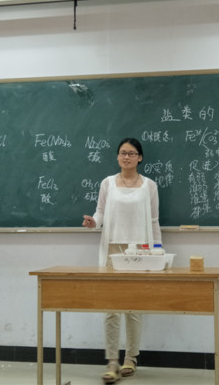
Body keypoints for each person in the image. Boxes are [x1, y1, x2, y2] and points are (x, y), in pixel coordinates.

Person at [82, 137, 162, 384]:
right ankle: (112, 361)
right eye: (122, 153)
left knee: (133, 306)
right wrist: (94, 223)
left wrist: (158, 249)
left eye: (131, 153)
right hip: (112, 249)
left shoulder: (149, 185)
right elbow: (100, 212)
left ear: (140, 157)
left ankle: (131, 357)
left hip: (139, 250)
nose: (126, 157)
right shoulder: (107, 183)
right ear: (117, 157)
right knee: (111, 307)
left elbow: (154, 221)